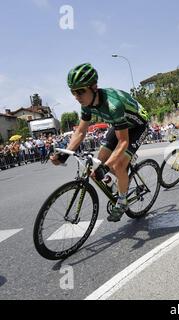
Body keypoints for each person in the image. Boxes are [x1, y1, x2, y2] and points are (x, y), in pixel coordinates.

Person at [51, 63, 150, 222]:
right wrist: (64, 155)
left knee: (117, 165)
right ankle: (118, 179)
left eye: (80, 91)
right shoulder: (86, 105)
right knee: (98, 162)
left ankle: (123, 201)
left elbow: (123, 141)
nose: (77, 96)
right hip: (120, 125)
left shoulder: (113, 105)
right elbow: (81, 132)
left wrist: (107, 166)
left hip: (138, 126)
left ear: (94, 87)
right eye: (73, 92)